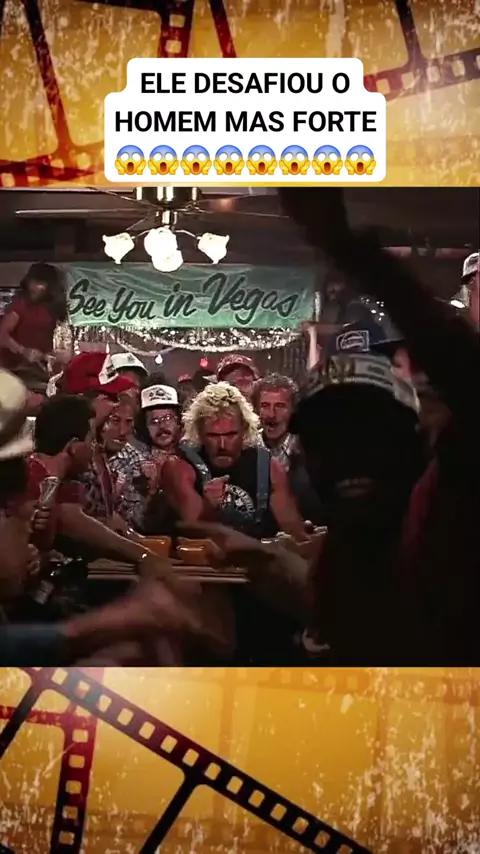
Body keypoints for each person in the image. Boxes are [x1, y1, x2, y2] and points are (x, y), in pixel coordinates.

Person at [280, 187, 480, 663]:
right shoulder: (360, 534)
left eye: (371, 429)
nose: (351, 453)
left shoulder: (459, 470)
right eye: (331, 437)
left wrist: (346, 246)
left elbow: (457, 359)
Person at [162, 382, 306, 540]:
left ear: (244, 430)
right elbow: (194, 536)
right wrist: (209, 507)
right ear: (199, 432)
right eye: (213, 436)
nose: (222, 445)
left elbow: (293, 530)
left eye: (231, 435)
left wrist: (306, 535)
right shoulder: (180, 468)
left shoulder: (269, 468)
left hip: (255, 554)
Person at [61, 351, 136, 527]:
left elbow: (104, 514)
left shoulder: (95, 443)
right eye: (111, 398)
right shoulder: (66, 444)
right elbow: (70, 518)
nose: (116, 405)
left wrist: (133, 538)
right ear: (86, 397)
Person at [109, 380, 182, 531]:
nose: (162, 426)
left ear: (179, 422)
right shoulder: (133, 460)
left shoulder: (192, 455)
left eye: (168, 418)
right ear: (144, 427)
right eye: (154, 421)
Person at [252, 373, 324, 524]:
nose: (271, 415)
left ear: (294, 411)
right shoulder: (247, 447)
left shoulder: (311, 448)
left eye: (280, 406)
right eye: (265, 406)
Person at [0, 264, 68, 392]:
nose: (39, 287)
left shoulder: (51, 307)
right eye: (35, 282)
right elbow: (2, 335)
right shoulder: (19, 304)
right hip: (14, 369)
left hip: (38, 369)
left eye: (43, 284)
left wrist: (51, 356)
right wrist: (23, 350)